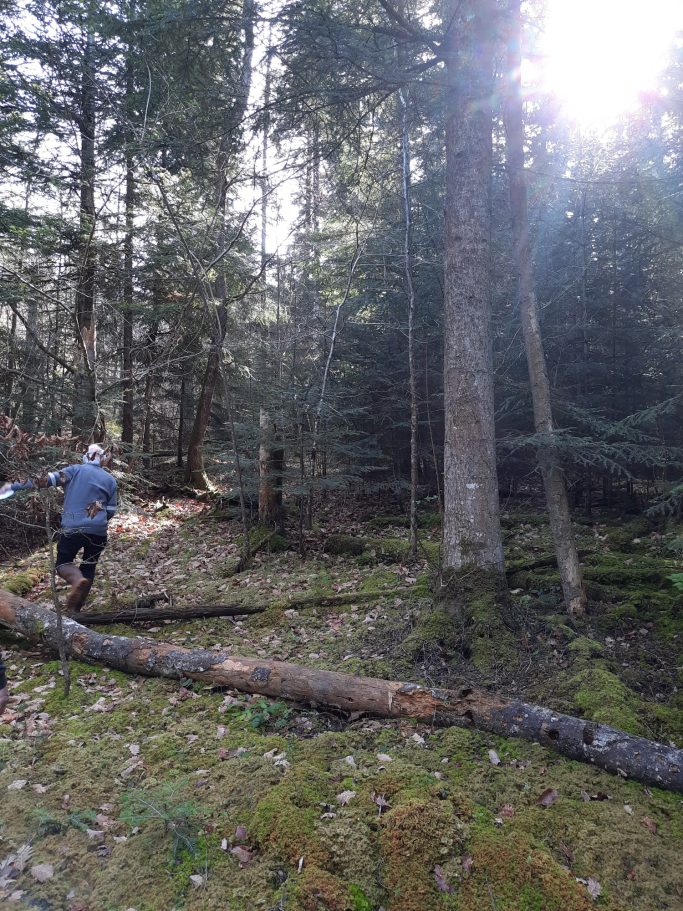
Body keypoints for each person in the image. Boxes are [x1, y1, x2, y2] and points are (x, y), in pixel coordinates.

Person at [0, 444, 118, 613]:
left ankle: (77, 581)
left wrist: (11, 486)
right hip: (99, 531)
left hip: (73, 528)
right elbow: (111, 511)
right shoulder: (110, 480)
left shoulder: (74, 471)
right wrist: (97, 523)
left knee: (62, 564)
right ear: (101, 459)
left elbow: (44, 481)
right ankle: (74, 611)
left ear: (87, 456)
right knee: (89, 567)